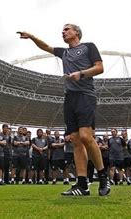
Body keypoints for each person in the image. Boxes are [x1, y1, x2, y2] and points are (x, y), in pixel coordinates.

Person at [19, 24, 110, 196]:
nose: (63, 31)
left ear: (77, 32)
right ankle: (82, 184)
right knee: (75, 140)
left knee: (85, 137)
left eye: (67, 29)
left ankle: (103, 177)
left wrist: (81, 74)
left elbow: (100, 67)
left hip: (85, 95)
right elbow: (46, 47)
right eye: (62, 30)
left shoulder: (88, 47)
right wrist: (31, 36)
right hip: (70, 98)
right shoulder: (64, 52)